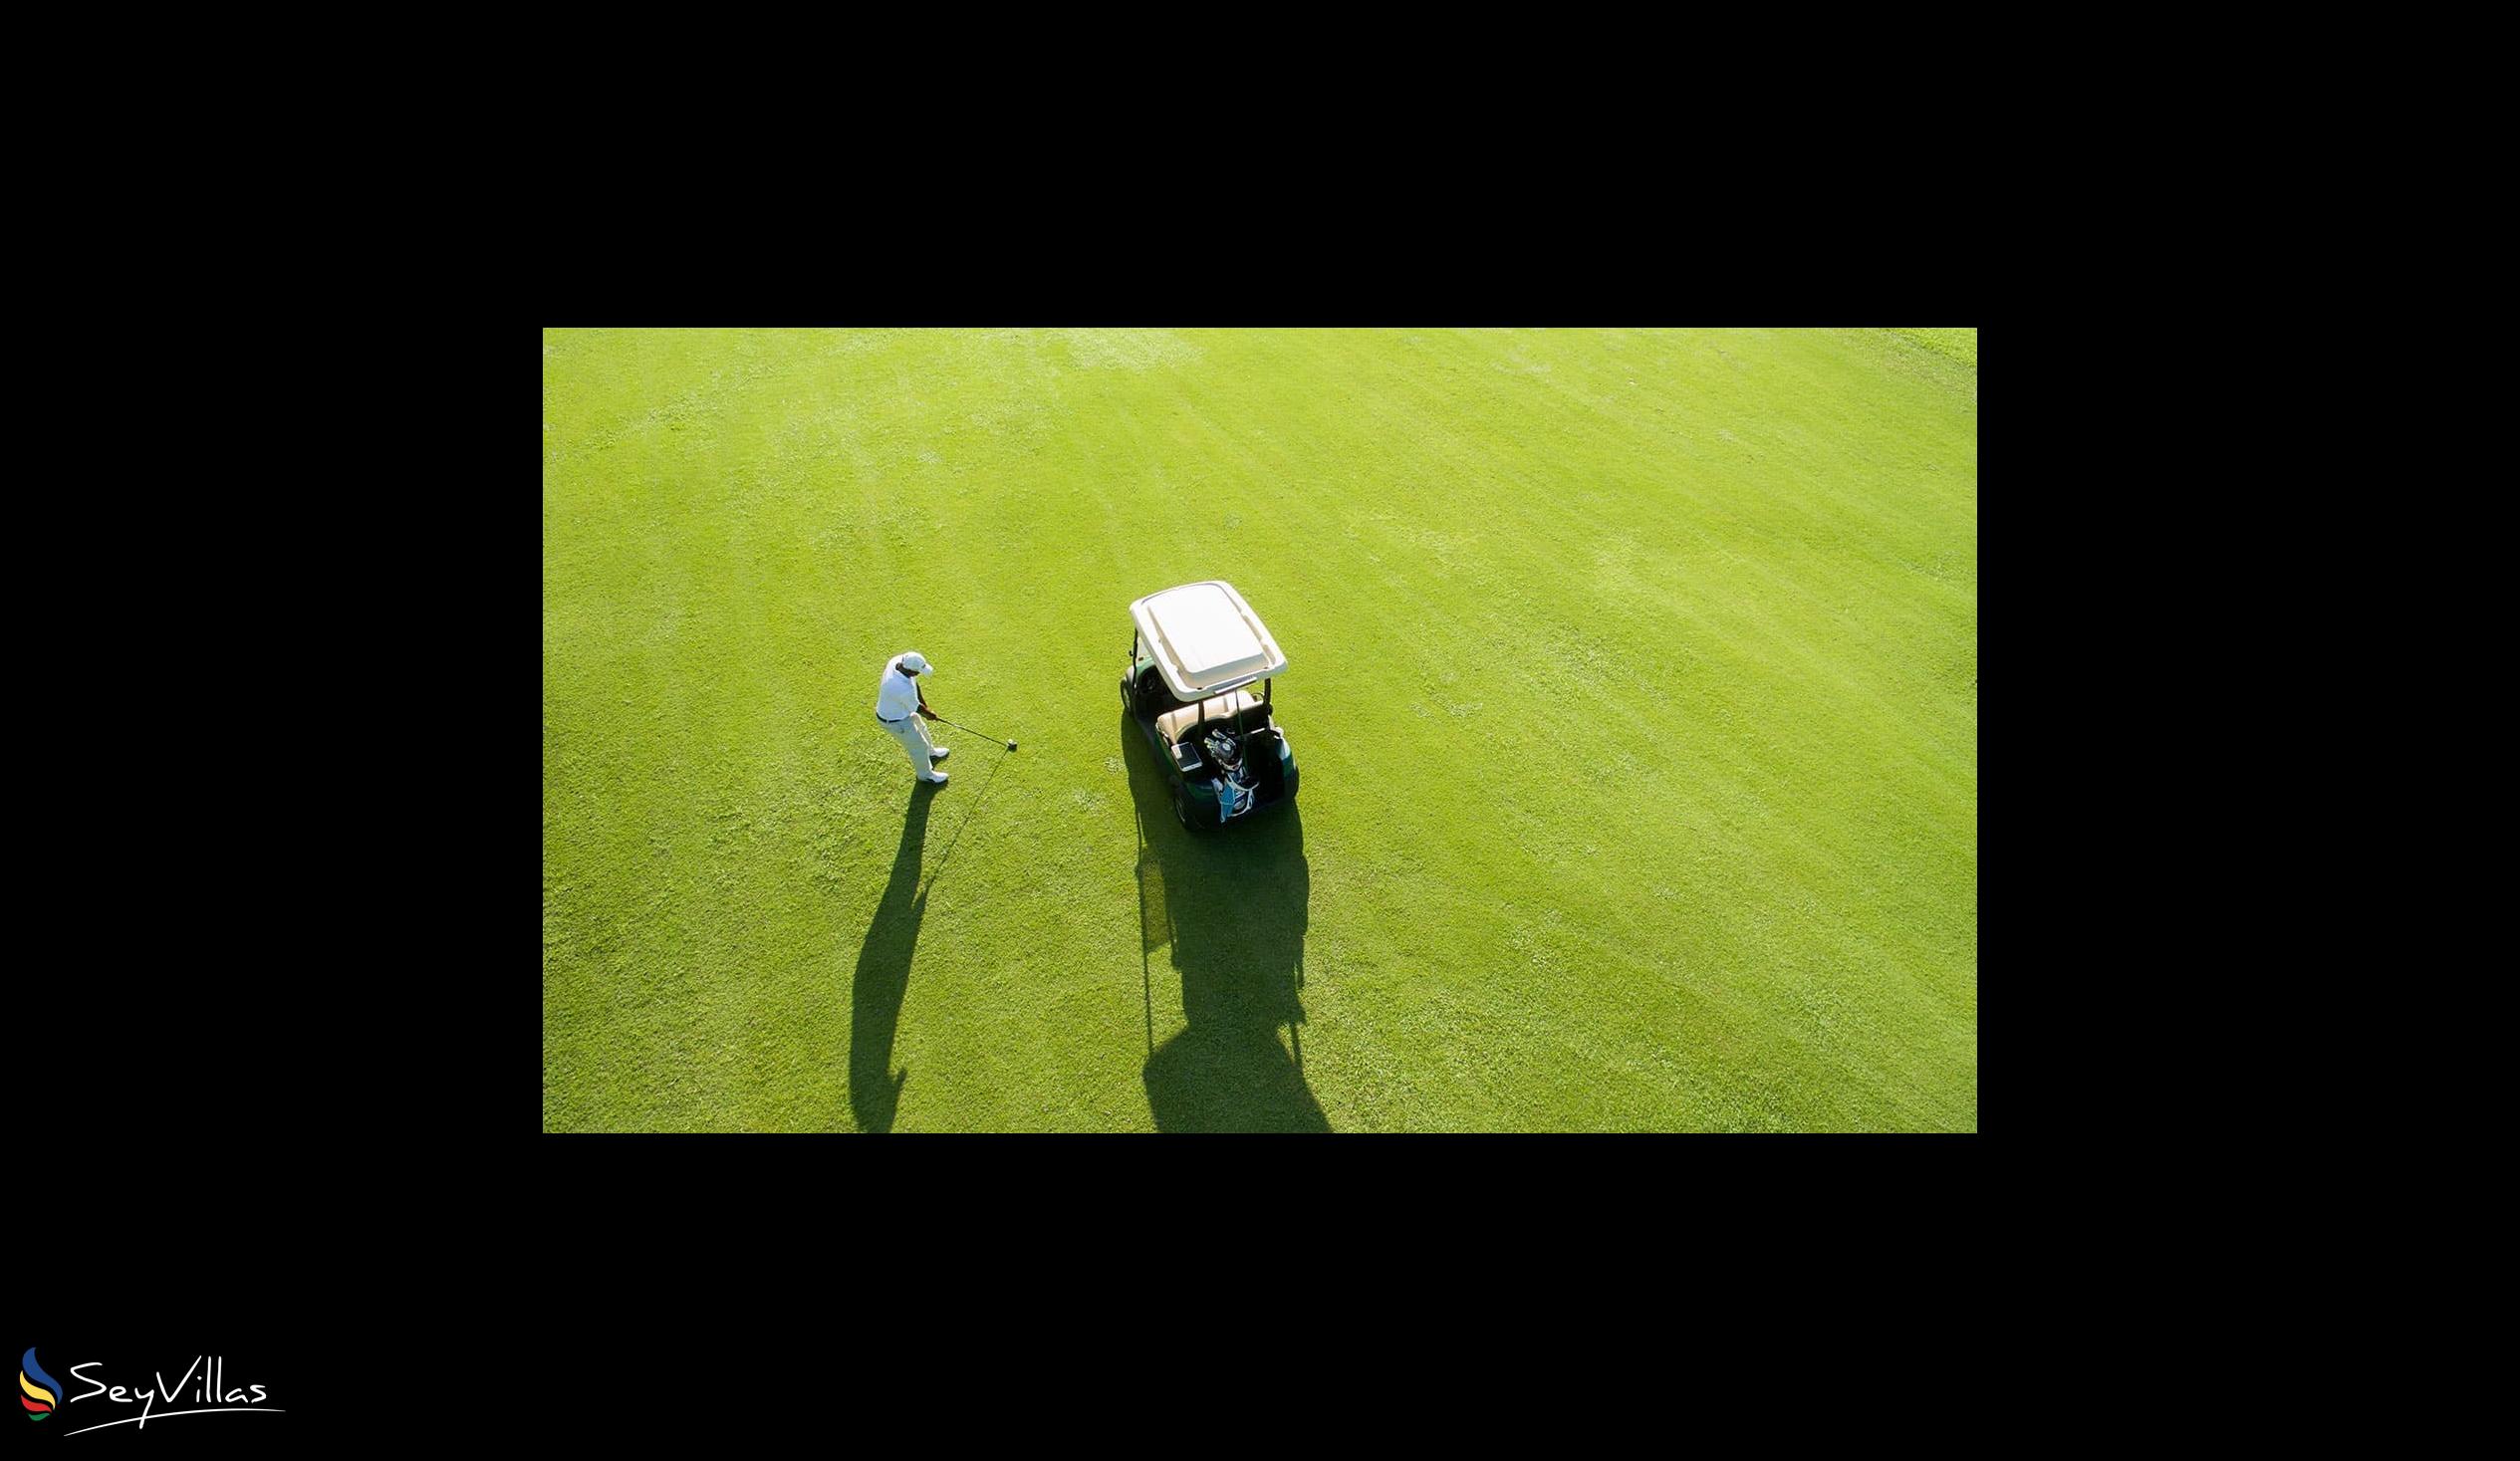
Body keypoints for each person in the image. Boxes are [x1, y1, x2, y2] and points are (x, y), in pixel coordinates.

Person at [874, 650, 948, 786]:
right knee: (919, 747)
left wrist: (925, 704)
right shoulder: (901, 688)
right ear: (910, 670)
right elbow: (917, 708)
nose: (918, 674)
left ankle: (931, 752)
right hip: (895, 721)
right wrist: (930, 714)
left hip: (902, 711)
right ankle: (926, 775)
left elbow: (915, 684)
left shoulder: (897, 662)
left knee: (922, 728)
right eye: (917, 672)